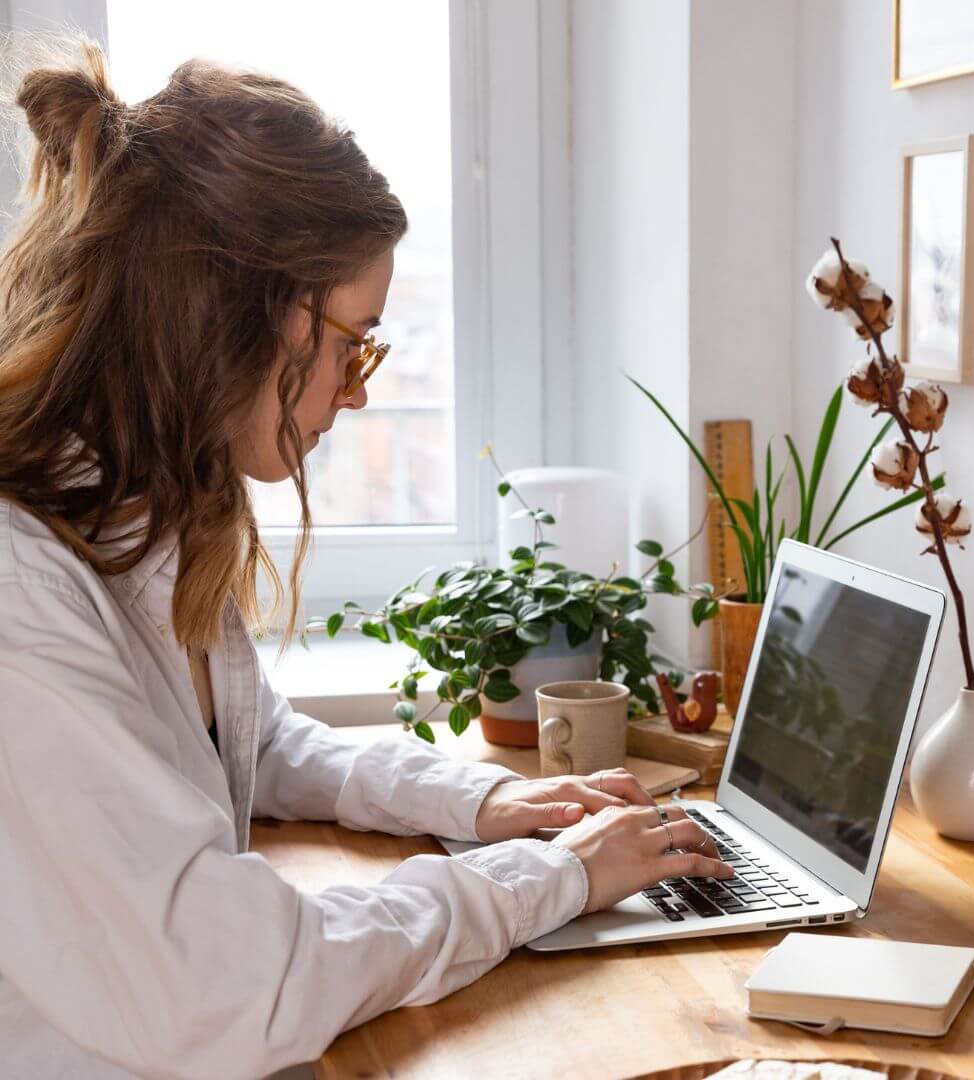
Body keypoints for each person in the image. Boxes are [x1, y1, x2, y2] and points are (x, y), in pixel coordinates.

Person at [0, 41, 730, 1079]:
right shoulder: (23, 593)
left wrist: (476, 804)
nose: (359, 392)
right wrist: (543, 879)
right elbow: (242, 985)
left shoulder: (142, 513)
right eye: (355, 344)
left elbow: (243, 745)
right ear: (231, 315)